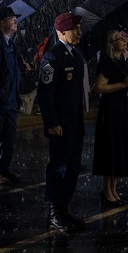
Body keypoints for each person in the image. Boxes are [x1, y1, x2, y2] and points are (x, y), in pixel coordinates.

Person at [38, 12, 87, 232]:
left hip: (75, 124)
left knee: (73, 168)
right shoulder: (52, 57)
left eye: (79, 28)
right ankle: (53, 212)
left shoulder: (76, 56)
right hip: (60, 125)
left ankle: (64, 208)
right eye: (75, 29)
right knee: (58, 168)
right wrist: (51, 122)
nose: (79, 32)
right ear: (61, 32)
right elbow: (45, 93)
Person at [92, 29, 128, 205]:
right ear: (112, 43)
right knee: (110, 149)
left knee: (119, 148)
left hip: (121, 109)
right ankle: (107, 190)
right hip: (110, 110)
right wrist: (122, 84)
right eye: (120, 39)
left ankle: (114, 189)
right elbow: (99, 87)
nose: (124, 41)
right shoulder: (107, 63)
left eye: (124, 38)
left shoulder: (120, 60)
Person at [0, 6, 23, 184]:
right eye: (10, 18)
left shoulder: (10, 43)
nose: (15, 20)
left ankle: (4, 167)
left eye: (15, 17)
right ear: (1, 23)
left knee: (9, 138)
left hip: (11, 101)